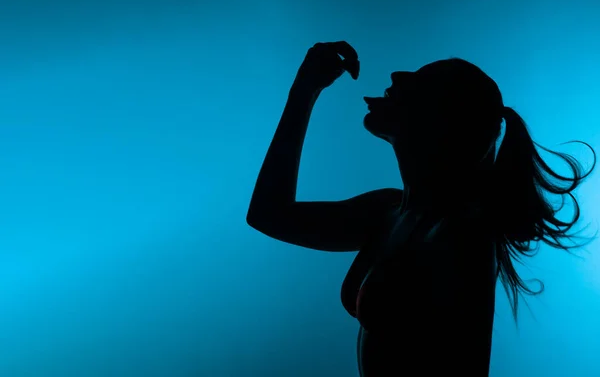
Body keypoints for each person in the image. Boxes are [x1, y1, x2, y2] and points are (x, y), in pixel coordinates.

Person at [246, 41, 596, 376]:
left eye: (423, 81)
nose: (397, 75)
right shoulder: (389, 210)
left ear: (445, 120)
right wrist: (305, 88)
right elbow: (268, 214)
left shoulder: (461, 232)